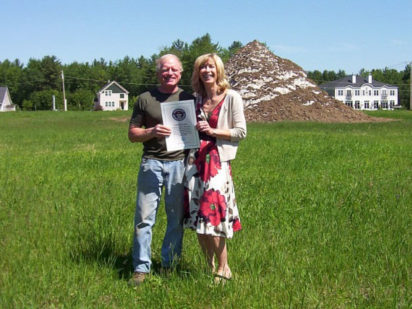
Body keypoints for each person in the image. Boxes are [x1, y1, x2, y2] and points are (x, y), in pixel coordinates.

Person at [128, 54, 194, 286]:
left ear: (181, 72)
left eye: (174, 70)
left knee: (175, 219)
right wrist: (152, 132)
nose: (170, 73)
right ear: (158, 73)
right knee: (144, 218)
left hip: (179, 164)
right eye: (165, 69)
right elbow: (132, 134)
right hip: (151, 162)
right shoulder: (145, 99)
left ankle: (169, 264)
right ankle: (141, 268)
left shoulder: (189, 98)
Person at [184, 53, 246, 283]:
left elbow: (241, 131)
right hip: (194, 161)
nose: (206, 71)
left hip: (217, 161)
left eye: (210, 67)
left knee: (215, 214)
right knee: (197, 215)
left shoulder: (231, 97)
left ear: (218, 70)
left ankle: (224, 268)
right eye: (202, 67)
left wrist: (213, 132)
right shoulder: (195, 99)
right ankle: (208, 266)